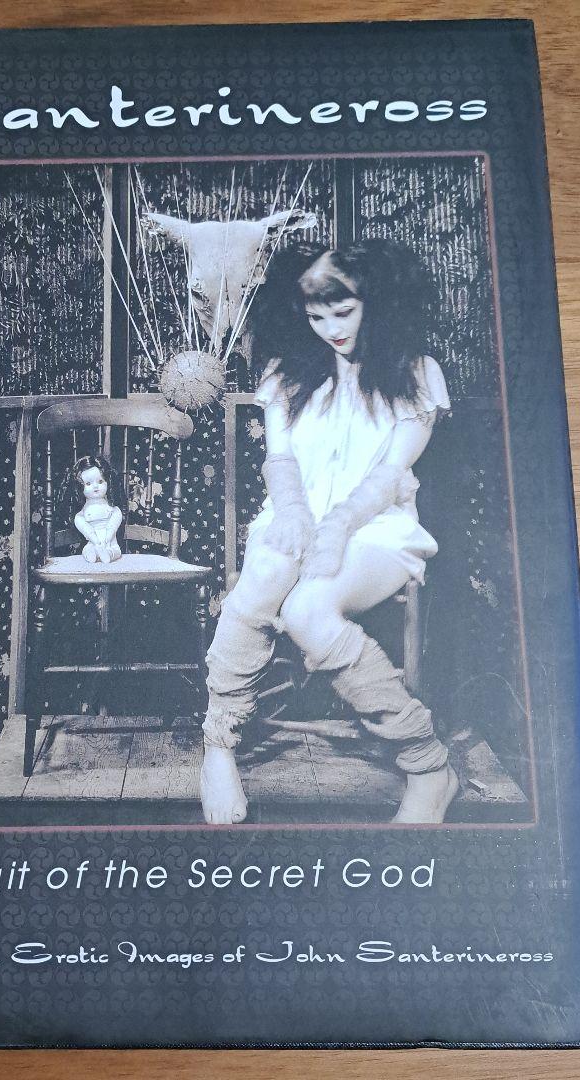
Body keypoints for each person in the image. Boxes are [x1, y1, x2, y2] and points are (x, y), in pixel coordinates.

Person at [200, 238, 459, 825]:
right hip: (292, 515)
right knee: (266, 573)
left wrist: (337, 527)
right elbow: (280, 460)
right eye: (316, 317)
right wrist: (294, 515)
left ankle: (427, 766)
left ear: (376, 301)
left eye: (343, 312)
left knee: (308, 611)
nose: (331, 329)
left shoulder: (418, 374)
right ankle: (219, 746)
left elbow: (389, 475)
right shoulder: (286, 373)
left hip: (376, 530)